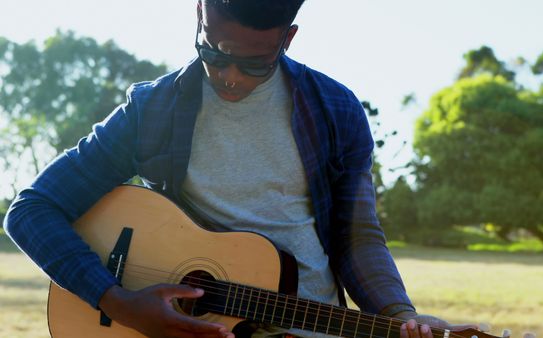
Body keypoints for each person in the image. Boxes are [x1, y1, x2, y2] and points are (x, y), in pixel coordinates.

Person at [4, 1, 476, 338]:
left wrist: (398, 312)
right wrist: (118, 301)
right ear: (198, 12)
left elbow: (357, 236)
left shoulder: (335, 108)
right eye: (214, 52)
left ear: (288, 39)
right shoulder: (153, 110)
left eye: (254, 64)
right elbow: (31, 210)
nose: (230, 76)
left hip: (315, 325)